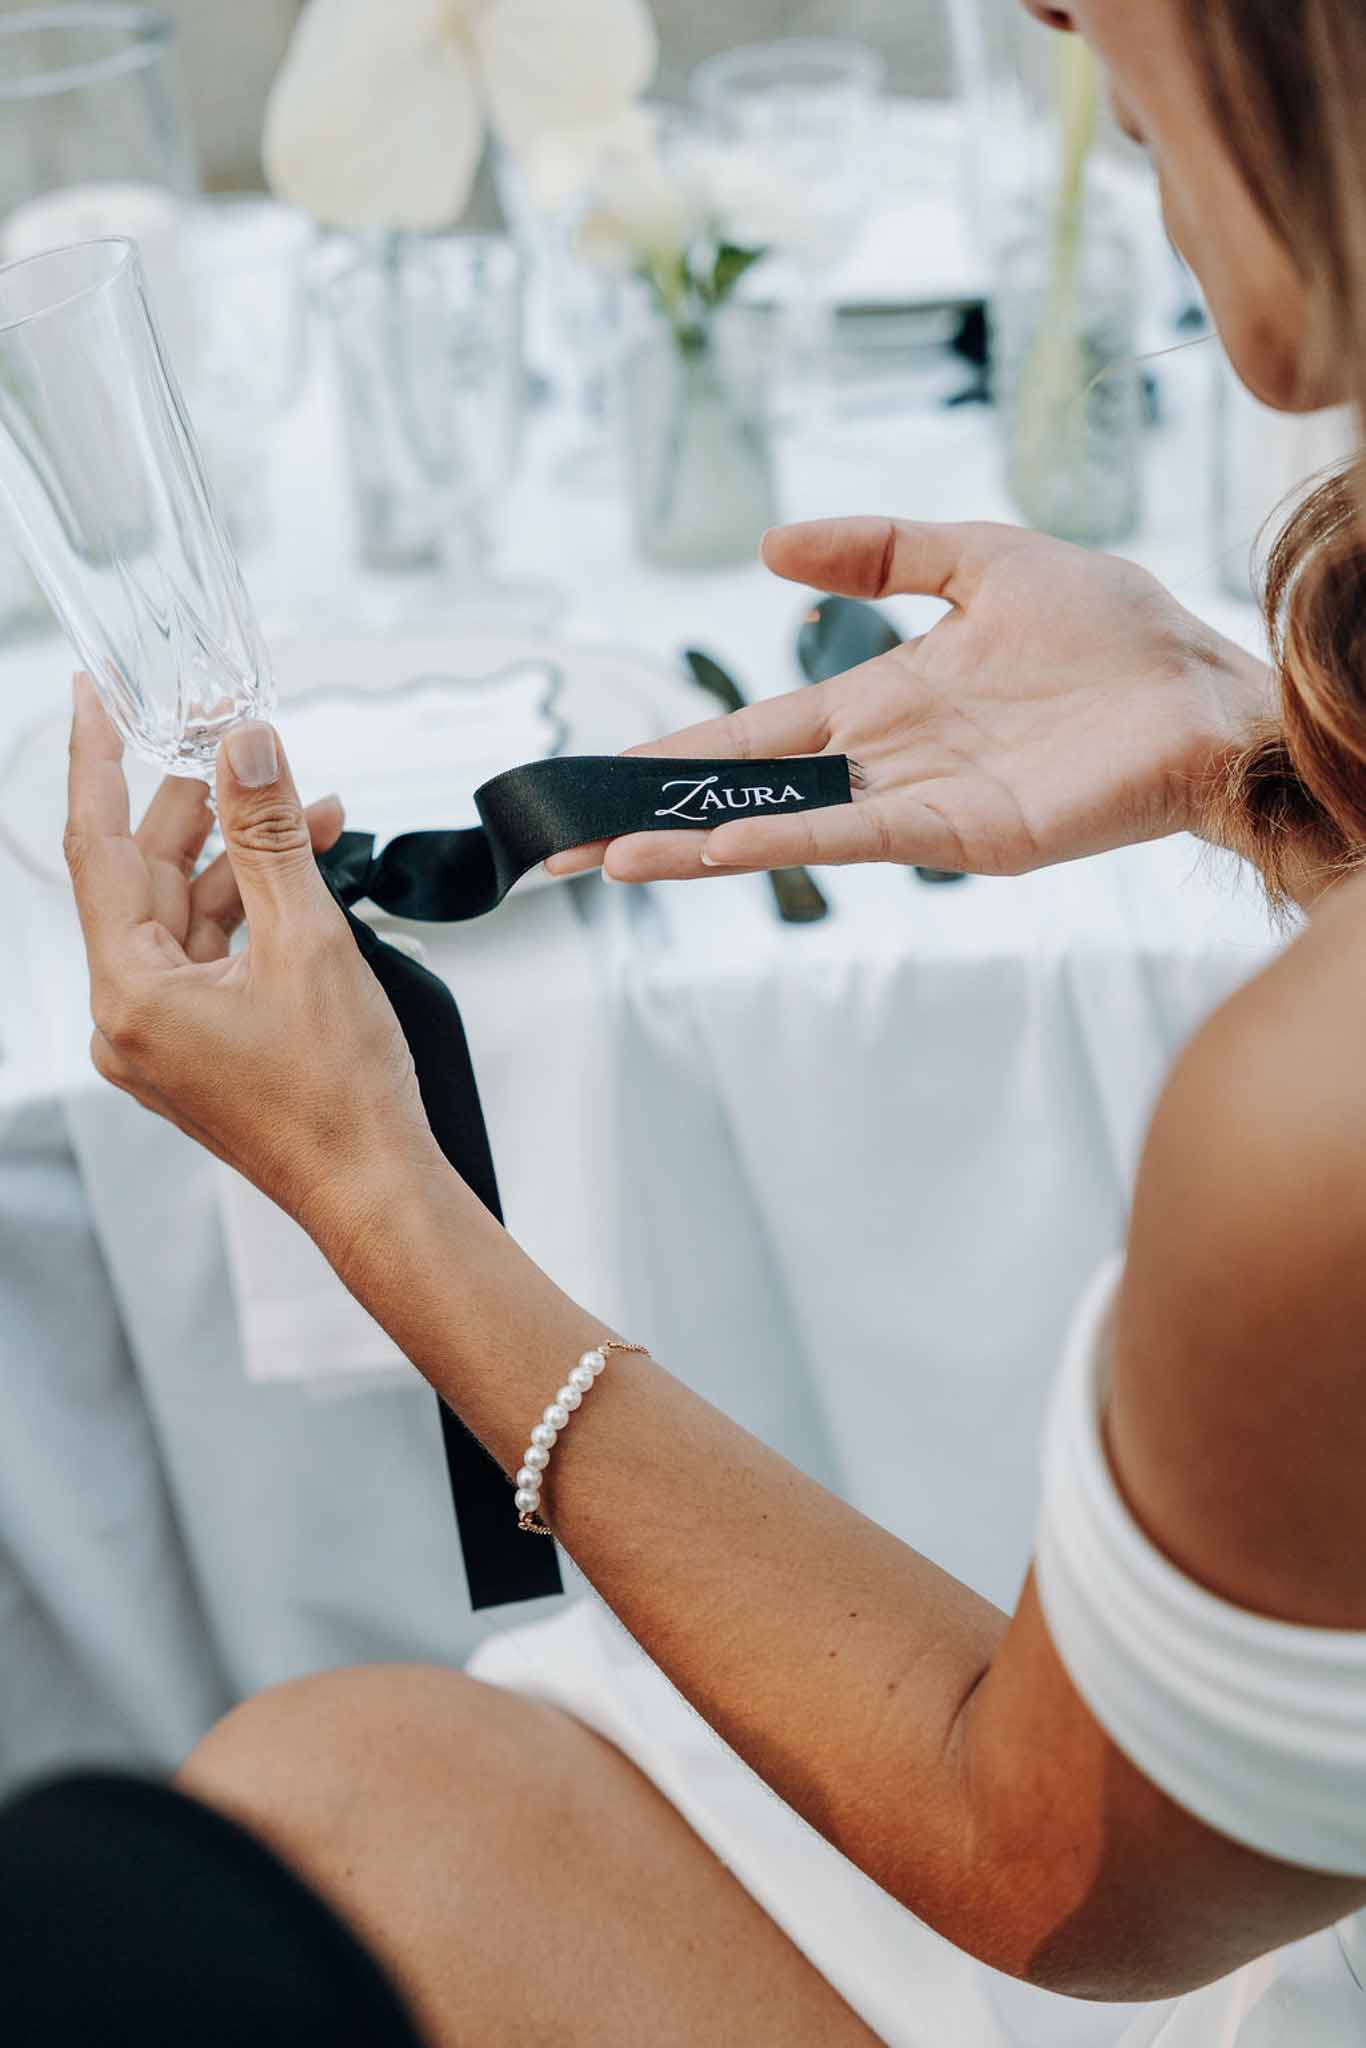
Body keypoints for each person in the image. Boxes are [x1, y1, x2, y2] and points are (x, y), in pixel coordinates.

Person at [56, 2, 1366, 2042]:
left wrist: (365, 1178)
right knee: (331, 1775)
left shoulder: (1308, 1123)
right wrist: (1250, 765)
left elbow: (1059, 1879)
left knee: (152, 1907)